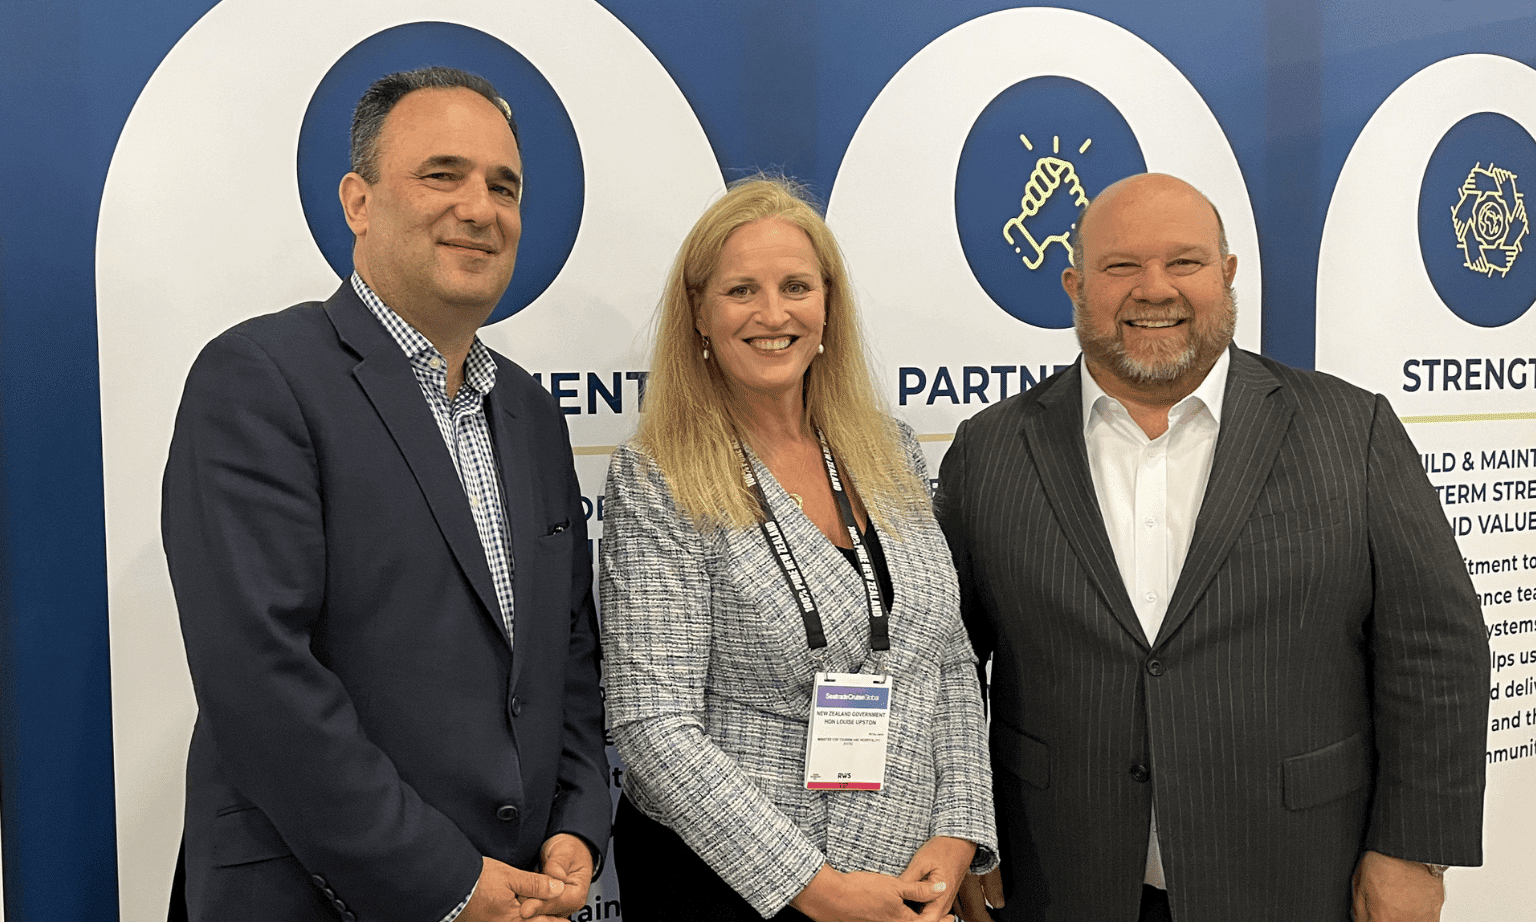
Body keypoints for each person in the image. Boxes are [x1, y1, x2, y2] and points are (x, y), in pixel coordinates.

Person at [938, 173, 1488, 922]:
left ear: (1227, 275)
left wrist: (1413, 849)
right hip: (1060, 873)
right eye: (1121, 267)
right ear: (1075, 285)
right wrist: (959, 830)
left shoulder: (1350, 432)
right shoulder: (988, 451)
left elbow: (1436, 651)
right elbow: (941, 663)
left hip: (1296, 872)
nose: (1154, 290)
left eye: (1185, 263)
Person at [162, 66, 609, 922]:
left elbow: (567, 656)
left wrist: (577, 824)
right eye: (442, 174)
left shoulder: (533, 415)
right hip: (314, 895)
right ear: (357, 202)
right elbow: (261, 680)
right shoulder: (258, 380)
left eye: (503, 186)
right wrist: (445, 880)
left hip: (520, 894)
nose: (480, 207)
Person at [599, 177, 998, 922]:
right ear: (700, 316)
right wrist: (816, 890)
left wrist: (958, 835)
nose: (773, 313)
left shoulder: (892, 452)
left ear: (827, 308)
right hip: (733, 886)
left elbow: (945, 654)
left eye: (795, 287)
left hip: (906, 879)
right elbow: (653, 725)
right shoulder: (659, 479)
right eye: (741, 290)